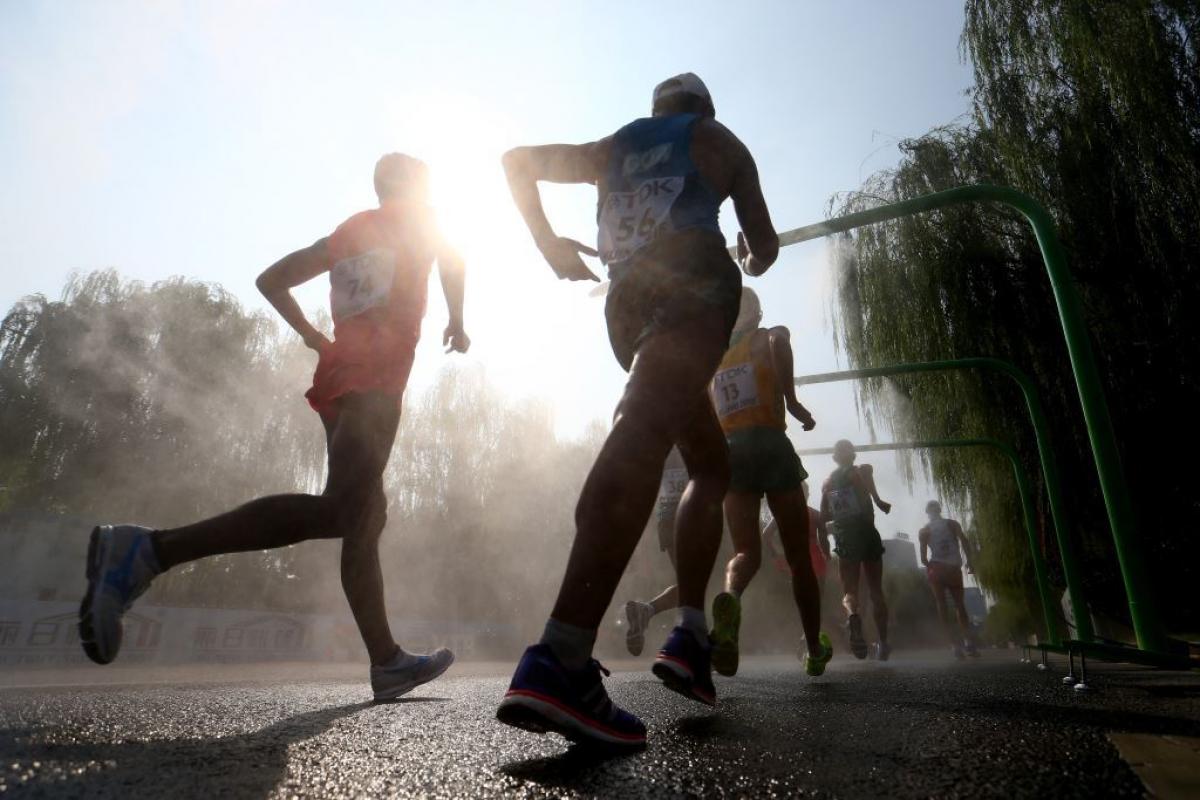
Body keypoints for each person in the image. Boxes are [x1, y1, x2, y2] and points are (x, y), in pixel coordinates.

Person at [78, 154, 470, 702]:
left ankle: (386, 660)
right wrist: (457, 318)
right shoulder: (419, 222)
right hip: (375, 381)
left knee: (363, 517)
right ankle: (148, 551)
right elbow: (454, 261)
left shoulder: (346, 234)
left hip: (340, 378)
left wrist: (314, 337)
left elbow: (270, 280)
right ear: (412, 186)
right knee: (344, 511)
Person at [496, 72, 779, 748]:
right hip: (692, 286)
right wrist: (750, 253)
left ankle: (690, 633)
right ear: (704, 107)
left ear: (655, 111)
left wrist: (549, 245)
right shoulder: (719, 141)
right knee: (646, 426)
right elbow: (763, 248)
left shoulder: (612, 147)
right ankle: (561, 654)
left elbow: (516, 163)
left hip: (627, 308)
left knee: (711, 464)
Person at [706, 288, 832, 678]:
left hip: (731, 452)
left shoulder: (715, 357)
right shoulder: (768, 334)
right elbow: (779, 342)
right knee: (798, 557)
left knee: (745, 551)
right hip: (770, 443)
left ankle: (729, 598)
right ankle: (813, 648)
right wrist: (792, 402)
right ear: (758, 313)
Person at [820, 440, 893, 661]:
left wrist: (827, 543)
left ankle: (853, 615)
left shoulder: (828, 483)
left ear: (834, 458)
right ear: (853, 455)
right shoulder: (861, 471)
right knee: (876, 590)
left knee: (849, 592)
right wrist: (879, 501)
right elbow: (868, 478)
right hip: (867, 533)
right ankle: (883, 642)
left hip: (846, 538)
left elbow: (824, 518)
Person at [622, 447, 687, 656]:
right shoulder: (693, 435)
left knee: (689, 583)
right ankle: (691, 648)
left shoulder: (660, 445)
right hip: (689, 514)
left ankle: (646, 611)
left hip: (666, 518)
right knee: (694, 583)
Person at [918, 500, 979, 659]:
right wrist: (969, 562)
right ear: (940, 510)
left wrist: (931, 566)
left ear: (927, 513)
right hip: (953, 568)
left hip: (936, 569)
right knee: (959, 605)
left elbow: (923, 559)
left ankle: (954, 645)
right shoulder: (952, 524)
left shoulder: (924, 531)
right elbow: (964, 541)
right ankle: (968, 644)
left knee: (941, 605)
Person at [764, 480, 831, 621]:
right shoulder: (814, 514)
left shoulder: (782, 513)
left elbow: (766, 535)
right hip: (815, 557)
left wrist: (775, 555)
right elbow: (824, 539)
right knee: (818, 597)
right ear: (806, 494)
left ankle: (804, 631)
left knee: (798, 598)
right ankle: (813, 632)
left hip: (793, 557)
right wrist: (827, 554)